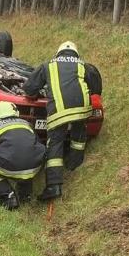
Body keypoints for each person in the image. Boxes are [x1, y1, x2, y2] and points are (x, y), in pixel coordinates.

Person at [22, 41, 101, 200]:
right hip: (83, 108)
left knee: (55, 143)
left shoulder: (48, 65)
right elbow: (97, 89)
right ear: (75, 54)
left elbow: (30, 89)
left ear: (58, 54)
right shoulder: (84, 65)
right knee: (78, 137)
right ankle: (74, 165)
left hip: (59, 111)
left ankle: (53, 186)